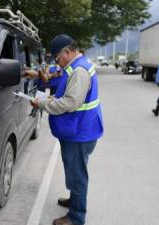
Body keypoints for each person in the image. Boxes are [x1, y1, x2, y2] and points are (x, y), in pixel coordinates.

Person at [31, 34, 104, 225]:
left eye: (58, 57)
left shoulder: (79, 71)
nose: (57, 61)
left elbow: (70, 103)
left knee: (77, 174)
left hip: (79, 132)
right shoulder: (78, 65)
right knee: (76, 169)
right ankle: (75, 201)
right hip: (81, 128)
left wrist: (42, 104)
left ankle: (76, 217)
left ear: (68, 51)